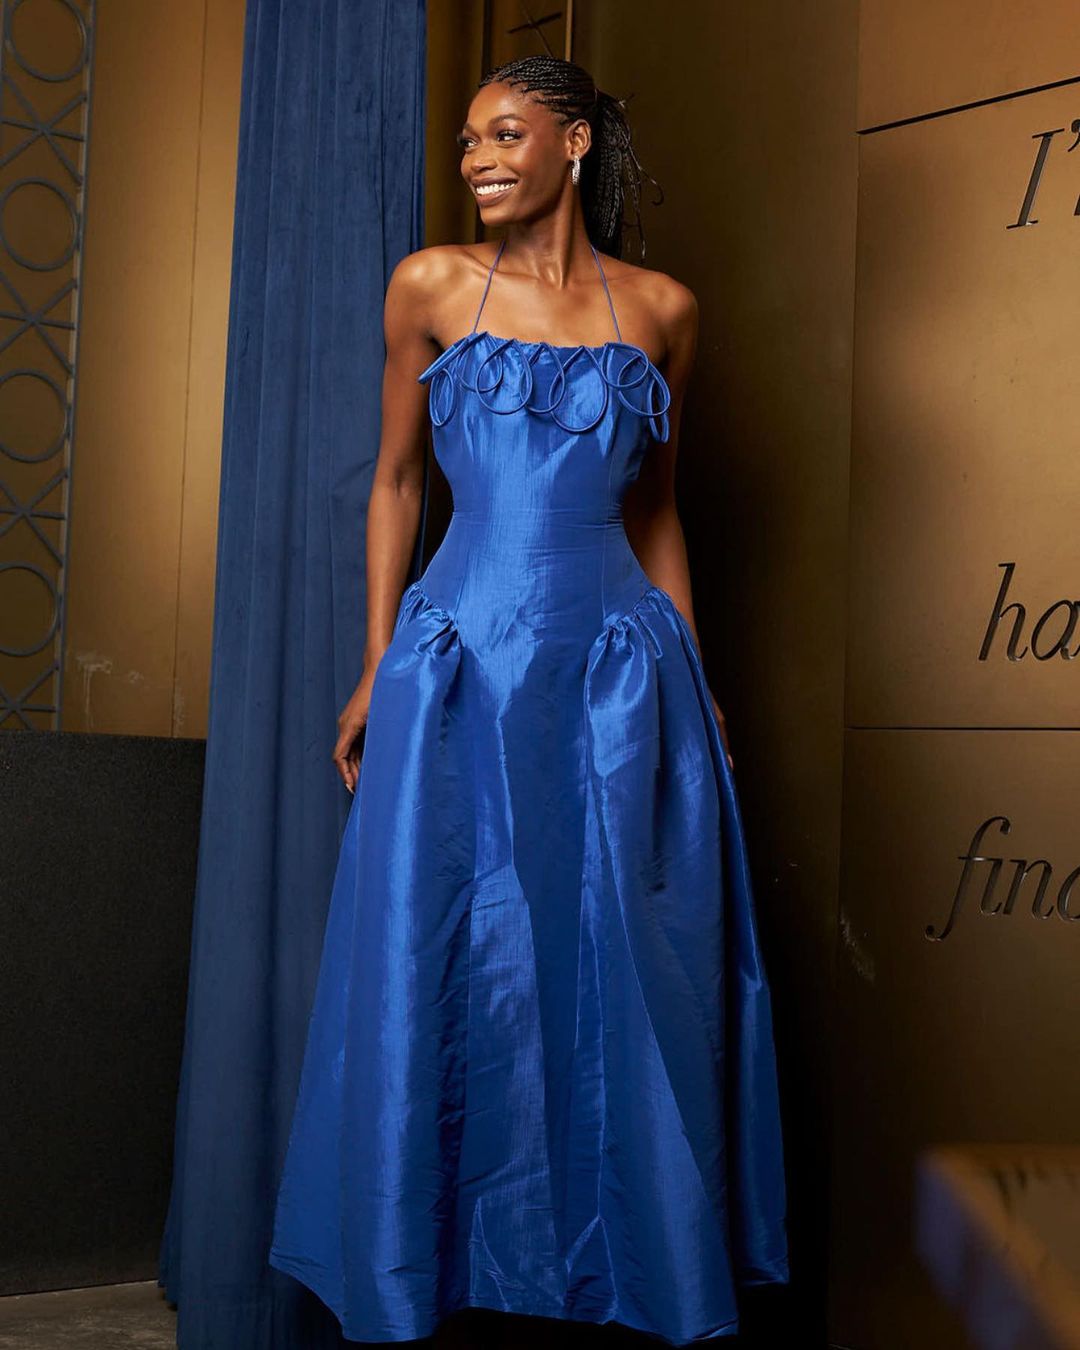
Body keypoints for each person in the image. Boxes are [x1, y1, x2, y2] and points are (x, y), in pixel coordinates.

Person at [268, 54, 789, 1347]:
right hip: (460, 662)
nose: (477, 156)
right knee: (449, 950)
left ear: (575, 143)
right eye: (464, 140)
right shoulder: (432, 285)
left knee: (617, 957)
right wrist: (380, 662)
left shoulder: (663, 307)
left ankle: (618, 1265)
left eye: (506, 133)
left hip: (616, 668)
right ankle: (433, 1268)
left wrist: (698, 677)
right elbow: (395, 484)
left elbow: (659, 509)